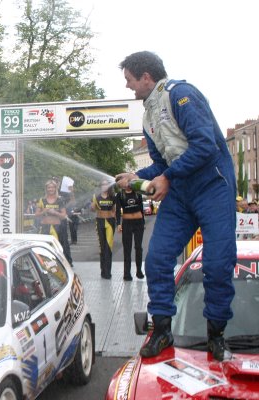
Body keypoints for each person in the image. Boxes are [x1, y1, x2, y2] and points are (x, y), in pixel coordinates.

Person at [116, 51, 236, 361]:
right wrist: (136, 176)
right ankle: (162, 329)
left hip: (212, 186)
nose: (128, 87)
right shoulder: (147, 115)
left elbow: (205, 145)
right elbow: (159, 163)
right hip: (181, 192)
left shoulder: (181, 94)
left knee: (217, 264)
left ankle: (216, 335)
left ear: (146, 77)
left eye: (129, 79)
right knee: (156, 260)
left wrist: (167, 177)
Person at [35, 180, 72, 264]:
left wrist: (55, 212)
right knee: (44, 248)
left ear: (55, 188)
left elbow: (64, 215)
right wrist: (44, 211)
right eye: (49, 187)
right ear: (46, 189)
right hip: (45, 227)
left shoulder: (59, 200)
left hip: (57, 227)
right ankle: (45, 265)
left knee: (59, 248)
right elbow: (36, 214)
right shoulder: (42, 200)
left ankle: (61, 265)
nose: (50, 189)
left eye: (52, 187)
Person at [115, 186, 145, 281]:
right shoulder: (120, 194)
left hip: (138, 222)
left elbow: (141, 208)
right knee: (127, 249)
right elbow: (118, 210)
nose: (127, 184)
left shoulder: (137, 193)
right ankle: (127, 273)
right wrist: (119, 224)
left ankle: (139, 271)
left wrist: (143, 222)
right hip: (127, 223)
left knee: (138, 247)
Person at [91, 179, 116, 279]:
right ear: (100, 186)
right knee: (102, 247)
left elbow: (114, 210)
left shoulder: (112, 197)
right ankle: (103, 270)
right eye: (103, 185)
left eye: (106, 184)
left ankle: (108, 272)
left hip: (110, 222)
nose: (104, 186)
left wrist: (114, 219)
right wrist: (92, 207)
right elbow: (92, 209)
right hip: (100, 221)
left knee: (108, 247)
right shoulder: (96, 197)